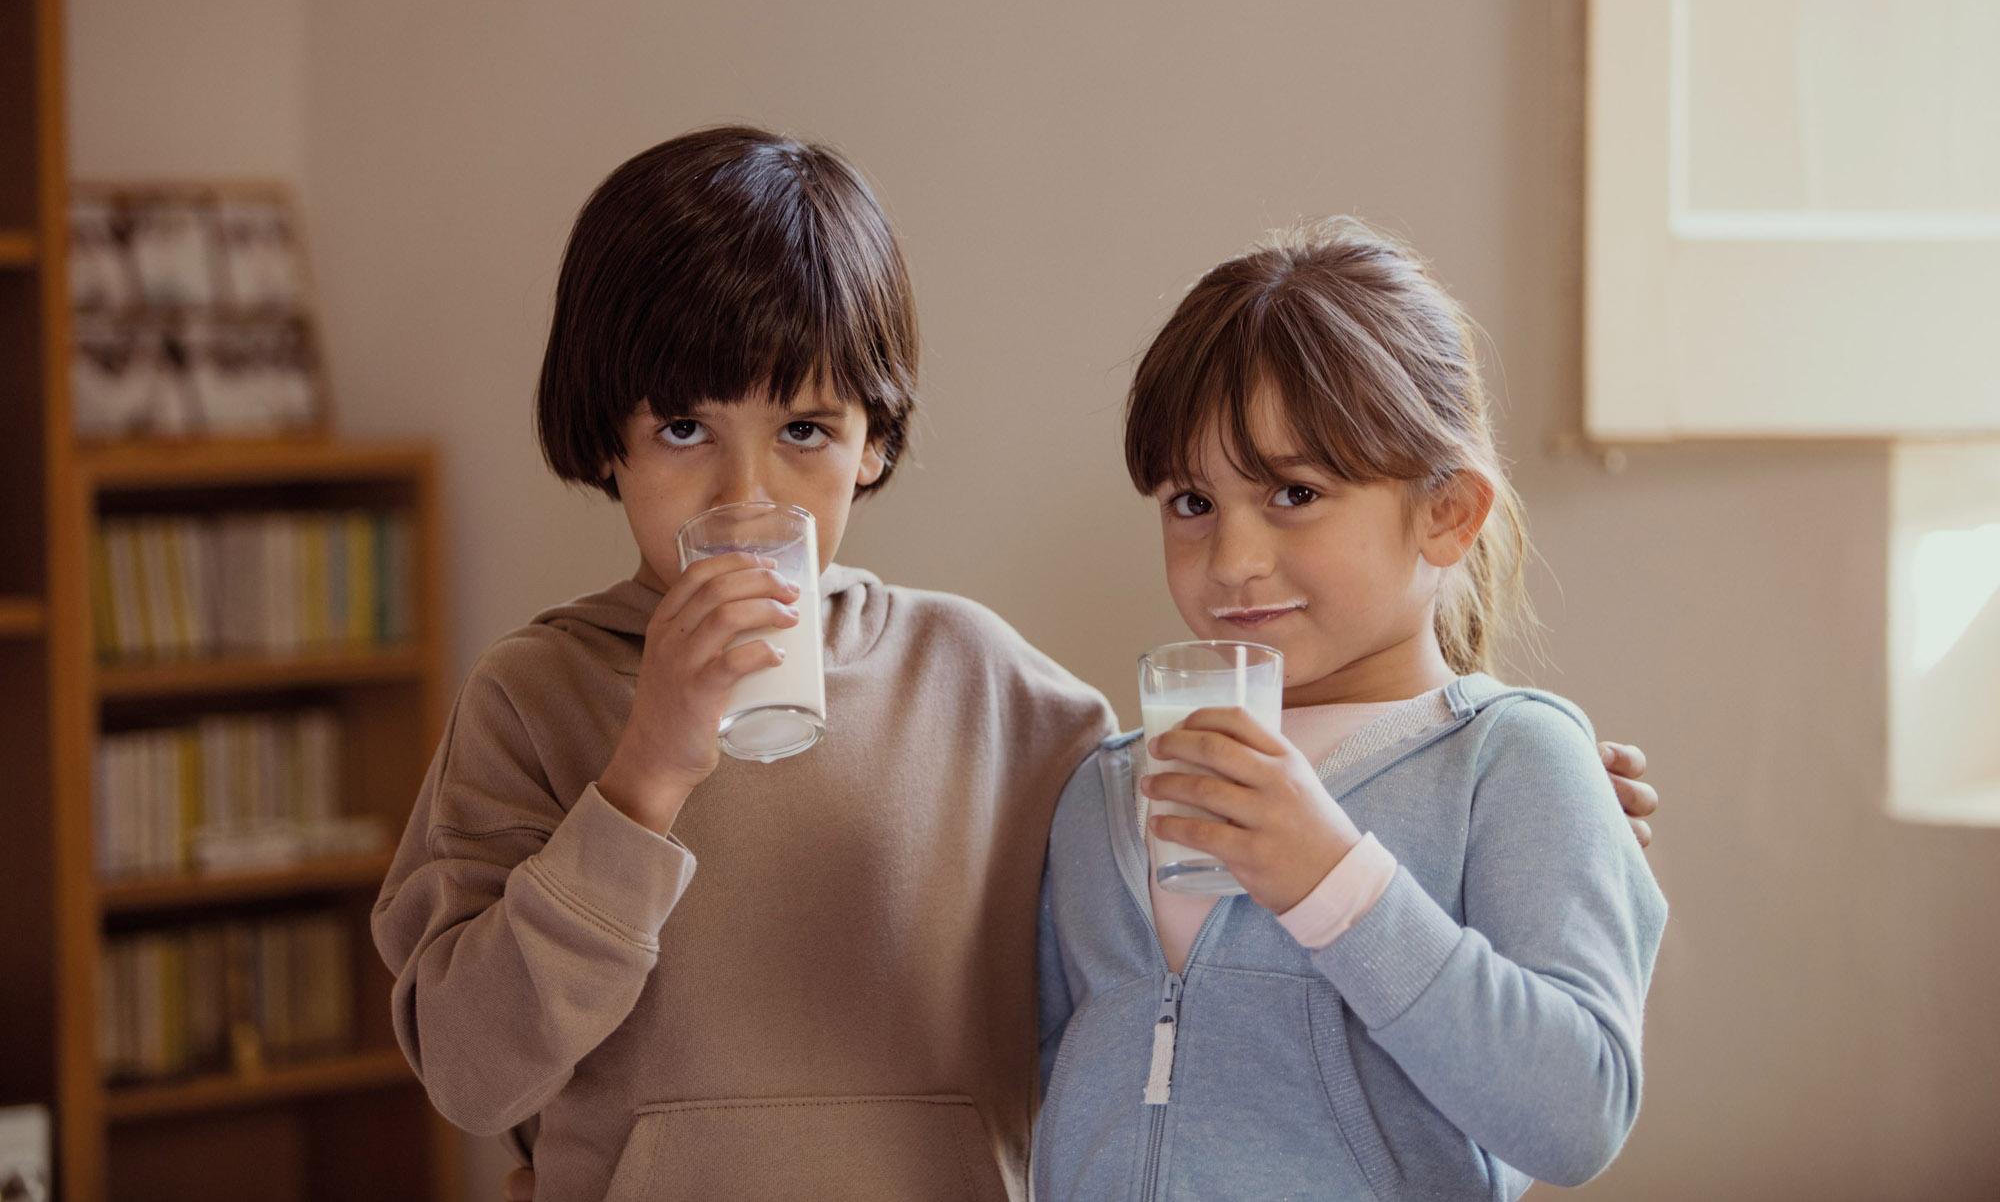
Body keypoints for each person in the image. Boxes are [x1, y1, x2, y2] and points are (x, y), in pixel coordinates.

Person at [364, 127, 1661, 1202]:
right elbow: (473, 1077)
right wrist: (643, 773)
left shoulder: (987, 688)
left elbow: (1200, 863)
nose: (750, 489)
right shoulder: (534, 701)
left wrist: (1533, 802)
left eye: (807, 427)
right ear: (608, 439)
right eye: (685, 426)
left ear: (873, 440)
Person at [1033, 217, 1668, 1200]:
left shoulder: (1513, 761)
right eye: (1189, 501)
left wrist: (1327, 875)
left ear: (1446, 513)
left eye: (1293, 490)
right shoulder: (1102, 790)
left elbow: (1575, 1113)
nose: (1232, 559)